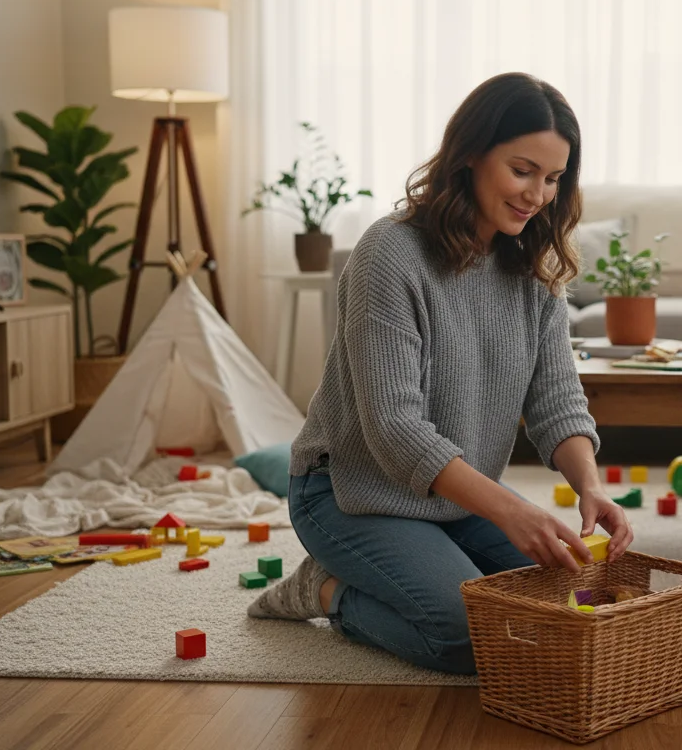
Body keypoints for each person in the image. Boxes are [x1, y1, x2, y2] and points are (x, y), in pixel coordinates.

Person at [247, 72, 634, 674]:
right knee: (466, 634)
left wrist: (589, 485)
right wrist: (508, 508)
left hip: (453, 500)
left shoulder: (535, 268)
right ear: (472, 155)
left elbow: (558, 400)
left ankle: (428, 557)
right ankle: (325, 590)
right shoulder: (390, 254)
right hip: (350, 495)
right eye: (523, 169)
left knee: (568, 606)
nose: (537, 195)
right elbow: (395, 430)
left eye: (554, 179)